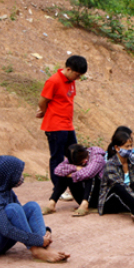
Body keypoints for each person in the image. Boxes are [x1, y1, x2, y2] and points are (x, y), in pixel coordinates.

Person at [0, 156, 70, 262]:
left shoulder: (7, 192)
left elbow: (21, 219)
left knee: (32, 206)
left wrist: (46, 232)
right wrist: (37, 240)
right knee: (13, 209)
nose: (21, 177)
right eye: (18, 174)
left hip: (1, 241)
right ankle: (36, 250)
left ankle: (45, 246)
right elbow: (5, 229)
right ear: (9, 176)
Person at [36, 55, 87, 198]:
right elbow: (42, 101)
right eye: (76, 75)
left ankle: (76, 185)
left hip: (68, 125)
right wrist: (46, 112)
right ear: (69, 69)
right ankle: (59, 189)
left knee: (76, 155)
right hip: (55, 126)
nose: (77, 78)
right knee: (57, 158)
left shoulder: (71, 81)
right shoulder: (53, 81)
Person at [42, 144, 105, 216]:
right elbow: (58, 170)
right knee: (64, 174)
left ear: (84, 161)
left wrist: (70, 174)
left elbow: (87, 174)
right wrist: (76, 168)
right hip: (82, 195)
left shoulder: (97, 158)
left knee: (90, 176)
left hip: (98, 196)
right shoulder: (74, 157)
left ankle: (85, 205)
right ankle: (52, 203)